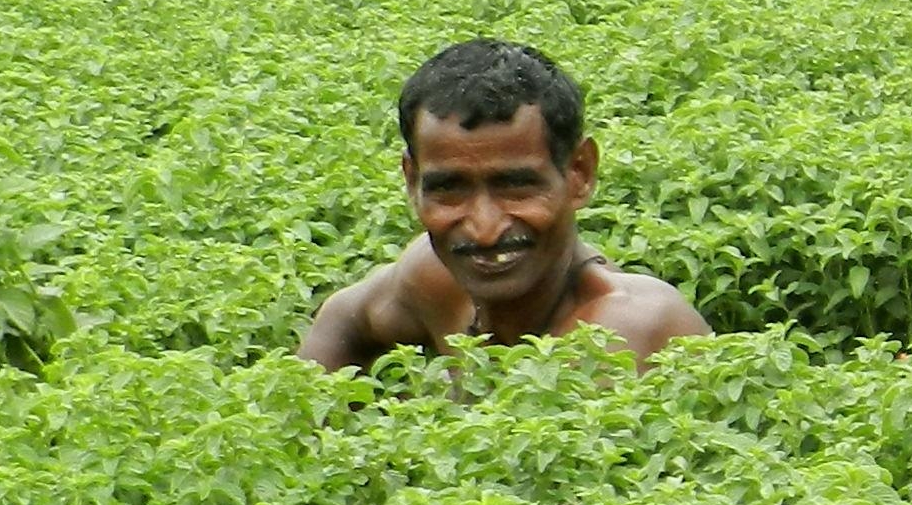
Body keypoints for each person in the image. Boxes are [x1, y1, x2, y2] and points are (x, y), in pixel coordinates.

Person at [300, 40, 711, 370]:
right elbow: (343, 321)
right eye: (450, 188)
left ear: (579, 174)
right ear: (412, 181)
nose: (484, 228)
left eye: (516, 187)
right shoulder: (435, 280)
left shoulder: (629, 332)